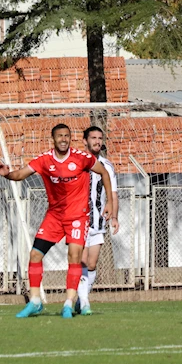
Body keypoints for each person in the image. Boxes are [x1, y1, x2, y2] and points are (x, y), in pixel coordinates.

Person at [0, 123, 113, 319]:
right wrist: (7, 174)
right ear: (53, 139)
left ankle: (69, 303)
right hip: (54, 216)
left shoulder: (82, 158)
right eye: (60, 136)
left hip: (77, 216)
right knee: (35, 254)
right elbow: (20, 175)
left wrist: (109, 202)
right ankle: (35, 302)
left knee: (74, 256)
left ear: (70, 138)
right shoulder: (45, 160)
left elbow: (104, 173)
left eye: (67, 135)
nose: (63, 139)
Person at [76, 126, 119, 315]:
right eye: (93, 138)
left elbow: (114, 195)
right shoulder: (76, 162)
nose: (97, 141)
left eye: (100, 138)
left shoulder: (107, 166)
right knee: (82, 261)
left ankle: (81, 298)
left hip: (98, 222)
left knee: (92, 265)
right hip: (78, 221)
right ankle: (84, 302)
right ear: (85, 141)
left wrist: (115, 217)